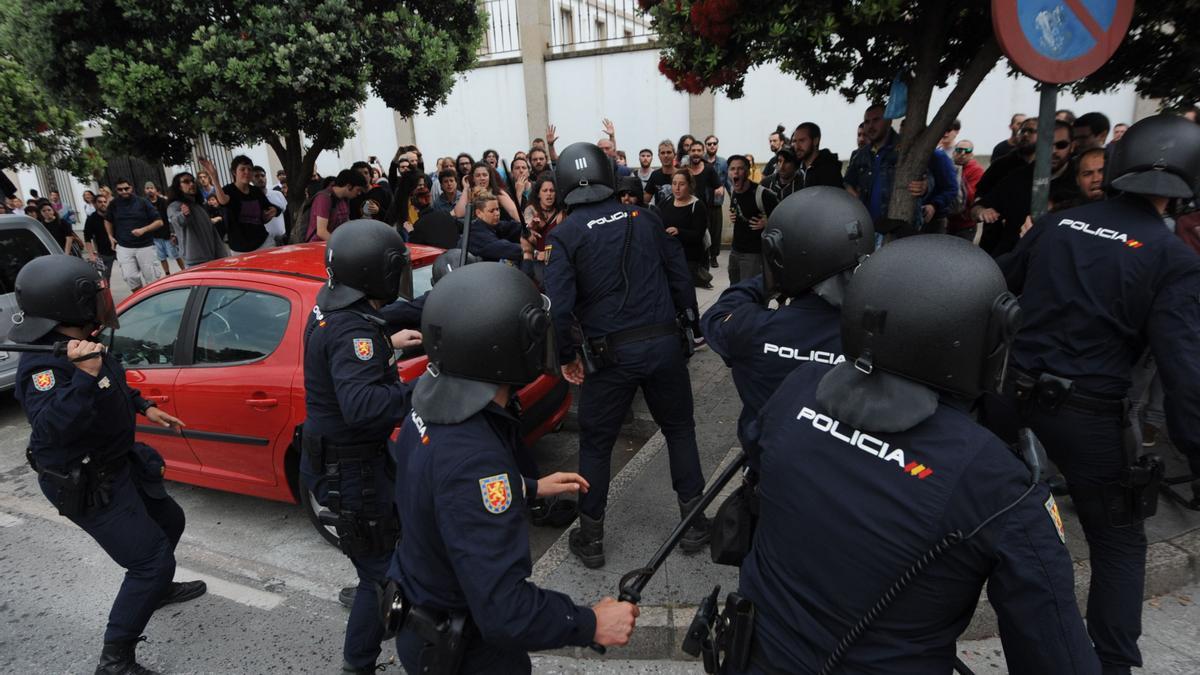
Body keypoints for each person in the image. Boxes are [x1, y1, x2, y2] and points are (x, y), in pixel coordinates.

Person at [732, 235, 1098, 674]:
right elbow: (1057, 653)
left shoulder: (799, 386)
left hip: (749, 655)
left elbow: (760, 464)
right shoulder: (993, 477)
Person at [982, 115, 1200, 675]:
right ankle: (1113, 665)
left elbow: (995, 282)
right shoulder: (1173, 259)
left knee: (982, 521)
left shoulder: (1061, 224)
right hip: (1089, 418)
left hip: (1011, 396)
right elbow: (1185, 374)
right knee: (1121, 544)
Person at [388, 262, 638, 673]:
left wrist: (524, 486)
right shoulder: (475, 458)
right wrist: (591, 623)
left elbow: (444, 492)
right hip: (466, 652)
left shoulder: (431, 406)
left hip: (425, 623)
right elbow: (507, 611)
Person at [11, 255, 207, 675]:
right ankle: (115, 659)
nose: (104, 302)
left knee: (169, 520)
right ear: (71, 303)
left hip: (117, 462)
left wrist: (144, 406)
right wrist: (82, 375)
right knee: (150, 560)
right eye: (95, 296)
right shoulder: (42, 364)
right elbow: (51, 427)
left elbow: (109, 383)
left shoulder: (84, 343)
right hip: (84, 480)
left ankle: (155, 589)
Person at [544, 142, 708, 569]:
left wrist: (566, 356)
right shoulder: (647, 217)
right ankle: (693, 525)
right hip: (663, 344)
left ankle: (592, 538)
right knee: (680, 430)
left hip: (610, 356)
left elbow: (558, 308)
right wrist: (691, 327)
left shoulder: (565, 235)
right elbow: (680, 277)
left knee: (596, 445)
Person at [301, 219, 422, 674]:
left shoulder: (334, 307)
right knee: (385, 577)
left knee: (381, 562)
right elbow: (366, 406)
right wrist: (423, 388)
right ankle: (358, 663)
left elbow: (367, 329)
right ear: (375, 271)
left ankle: (368, 589)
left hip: (346, 462)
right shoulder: (353, 333)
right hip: (350, 473)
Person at [703, 186, 873, 468]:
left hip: (771, 477)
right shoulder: (879, 338)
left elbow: (716, 317)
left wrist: (772, 280)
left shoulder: (755, 328)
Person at [973, 120, 1079, 256]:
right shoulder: (1017, 177)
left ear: (1072, 146)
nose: (1053, 151)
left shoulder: (1079, 179)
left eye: (1061, 145)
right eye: (1047, 145)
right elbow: (978, 207)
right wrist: (982, 211)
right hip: (1014, 259)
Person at [201, 155, 277, 253]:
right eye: (242, 169)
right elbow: (223, 201)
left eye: (249, 169)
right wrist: (214, 178)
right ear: (234, 172)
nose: (247, 172)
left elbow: (268, 207)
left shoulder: (256, 191)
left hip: (264, 243)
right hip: (239, 249)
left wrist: (273, 210)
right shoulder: (228, 190)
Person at [724, 154, 780, 284]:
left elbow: (782, 218)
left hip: (754, 254)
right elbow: (738, 210)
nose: (735, 172)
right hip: (735, 251)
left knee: (750, 292)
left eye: (740, 168)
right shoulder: (734, 190)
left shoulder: (763, 194)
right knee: (735, 290)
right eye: (732, 169)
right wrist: (735, 215)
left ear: (748, 171)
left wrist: (768, 222)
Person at [105, 178, 164, 291]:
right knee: (129, 277)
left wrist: (143, 230)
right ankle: (140, 300)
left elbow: (159, 222)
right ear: (116, 190)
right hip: (124, 247)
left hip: (145, 246)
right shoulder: (114, 204)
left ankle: (155, 301)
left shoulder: (143, 202)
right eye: (120, 189)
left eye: (126, 188)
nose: (123, 191)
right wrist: (110, 236)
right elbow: (107, 220)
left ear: (131, 188)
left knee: (152, 278)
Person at [658, 170, 712, 289]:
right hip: (669, 257)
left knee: (686, 294)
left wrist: (679, 231)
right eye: (674, 183)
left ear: (689, 185)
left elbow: (698, 235)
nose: (677, 188)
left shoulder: (697, 206)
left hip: (688, 260)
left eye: (681, 184)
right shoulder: (667, 201)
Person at [166, 172, 228, 267]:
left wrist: (222, 254)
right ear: (179, 187)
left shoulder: (198, 206)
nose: (191, 184)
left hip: (214, 257)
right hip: (195, 262)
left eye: (192, 181)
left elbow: (212, 231)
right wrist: (184, 215)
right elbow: (177, 221)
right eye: (186, 182)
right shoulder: (174, 206)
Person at [307, 169, 368, 241]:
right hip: (319, 246)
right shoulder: (324, 198)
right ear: (349, 186)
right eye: (358, 190)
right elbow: (321, 232)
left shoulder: (345, 199)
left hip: (334, 245)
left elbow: (345, 223)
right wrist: (341, 245)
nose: (359, 193)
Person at [947, 139, 985, 241]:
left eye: (967, 151)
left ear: (971, 154)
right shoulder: (949, 167)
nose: (963, 154)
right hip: (948, 222)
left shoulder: (976, 170)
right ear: (954, 152)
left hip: (966, 224)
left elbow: (971, 196)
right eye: (959, 150)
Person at [144, 181, 185, 274]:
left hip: (167, 234)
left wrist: (173, 232)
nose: (149, 190)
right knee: (161, 257)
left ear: (155, 190)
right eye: (147, 188)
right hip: (155, 236)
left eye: (151, 188)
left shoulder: (163, 201)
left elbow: (170, 218)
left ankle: (185, 271)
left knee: (176, 255)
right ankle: (167, 274)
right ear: (144, 190)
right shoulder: (144, 203)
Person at [790, 122, 844, 188]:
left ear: (815, 141)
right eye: (795, 141)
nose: (797, 147)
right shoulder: (796, 171)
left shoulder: (828, 171)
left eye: (802, 140)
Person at [702, 135, 728, 267]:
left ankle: (714, 256)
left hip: (717, 202)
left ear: (717, 145)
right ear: (705, 146)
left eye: (714, 143)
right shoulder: (700, 161)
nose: (712, 146)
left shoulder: (723, 162)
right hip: (703, 201)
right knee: (704, 230)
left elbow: (727, 182)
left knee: (716, 231)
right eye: (709, 144)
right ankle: (705, 255)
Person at [83, 193, 116, 282]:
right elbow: (87, 238)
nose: (103, 204)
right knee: (105, 277)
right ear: (95, 204)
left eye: (105, 202)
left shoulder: (113, 215)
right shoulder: (91, 219)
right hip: (104, 252)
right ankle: (106, 295)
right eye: (100, 202)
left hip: (119, 249)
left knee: (130, 274)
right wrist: (91, 255)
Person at [642, 140, 678, 206]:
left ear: (674, 155)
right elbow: (645, 200)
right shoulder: (655, 175)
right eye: (663, 153)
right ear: (659, 156)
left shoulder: (681, 174)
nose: (666, 155)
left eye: (669, 152)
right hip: (659, 215)